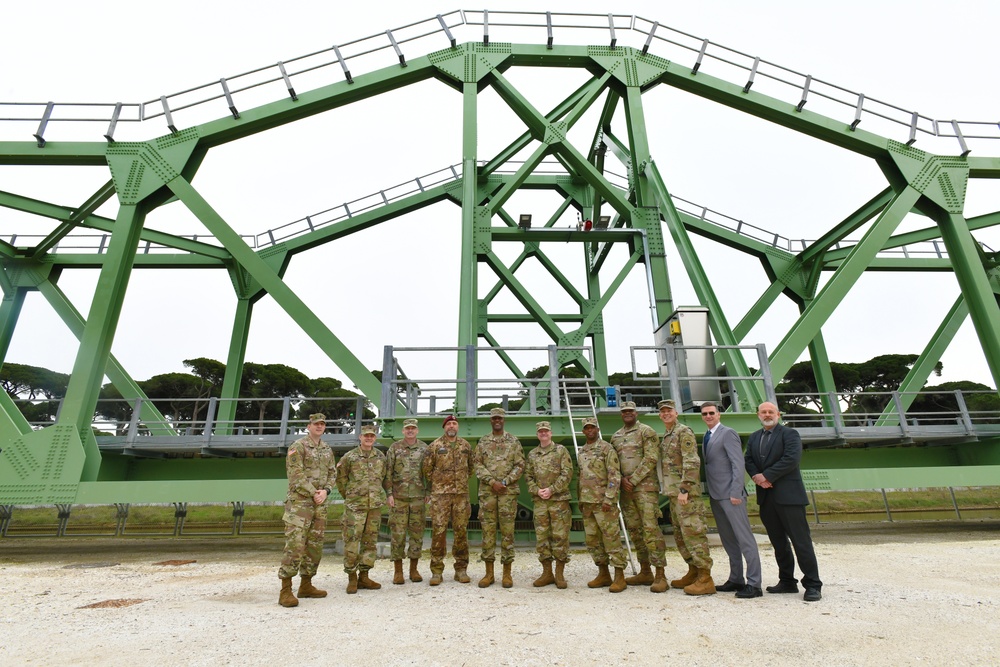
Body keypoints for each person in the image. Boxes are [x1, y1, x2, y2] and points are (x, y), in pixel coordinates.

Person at [746, 401, 823, 602]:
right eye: (763, 412)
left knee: (801, 541)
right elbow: (748, 460)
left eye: (771, 411)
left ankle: (813, 584)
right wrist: (756, 476)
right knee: (779, 543)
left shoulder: (790, 434)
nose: (767, 414)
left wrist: (767, 477)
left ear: (778, 415)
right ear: (758, 415)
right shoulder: (755, 437)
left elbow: (791, 458)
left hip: (789, 497)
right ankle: (787, 581)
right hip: (767, 497)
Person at [277, 412, 337, 608]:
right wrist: (314, 493)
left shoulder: (327, 449)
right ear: (308, 426)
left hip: (319, 503)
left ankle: (306, 585)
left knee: (314, 546)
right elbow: (296, 475)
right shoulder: (298, 447)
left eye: (322, 424)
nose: (319, 426)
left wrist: (326, 491)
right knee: (295, 545)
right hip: (300, 504)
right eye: (316, 424)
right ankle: (285, 590)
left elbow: (332, 472)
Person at [700, 401, 760, 597]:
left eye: (711, 413)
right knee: (728, 540)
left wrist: (736, 492)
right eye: (704, 414)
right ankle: (736, 579)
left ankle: (754, 583)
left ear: (719, 414)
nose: (708, 416)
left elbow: (737, 463)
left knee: (745, 539)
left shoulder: (728, 433)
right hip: (716, 496)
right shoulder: (707, 436)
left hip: (731, 495)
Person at [656, 399, 715, 596]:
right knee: (681, 535)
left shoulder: (683, 432)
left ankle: (705, 578)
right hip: (674, 495)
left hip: (685, 495)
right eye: (662, 412)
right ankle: (693, 571)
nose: (666, 414)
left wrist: (685, 488)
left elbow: (691, 460)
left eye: (669, 411)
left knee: (694, 533)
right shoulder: (666, 436)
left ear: (676, 413)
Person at [610, 400, 668, 592]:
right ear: (621, 414)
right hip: (626, 492)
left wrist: (633, 480)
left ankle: (660, 574)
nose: (627, 414)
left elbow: (651, 457)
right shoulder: (616, 437)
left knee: (651, 529)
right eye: (624, 411)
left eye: (631, 411)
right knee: (635, 531)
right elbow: (612, 464)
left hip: (645, 489)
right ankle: (645, 571)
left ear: (636, 413)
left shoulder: (646, 431)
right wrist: (620, 479)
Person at [473, 407, 526, 588]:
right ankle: (489, 574)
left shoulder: (513, 441)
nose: (497, 420)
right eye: (494, 418)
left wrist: (505, 482)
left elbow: (520, 465)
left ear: (504, 420)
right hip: (488, 494)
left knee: (507, 533)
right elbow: (477, 465)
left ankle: (507, 574)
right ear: (491, 420)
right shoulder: (483, 442)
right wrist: (491, 482)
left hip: (507, 494)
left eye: (500, 418)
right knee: (487, 532)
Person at [422, 414, 475, 586]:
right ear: (444, 427)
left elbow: (471, 468)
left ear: (457, 427)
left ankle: (461, 569)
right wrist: (441, 483)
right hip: (440, 496)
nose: (452, 426)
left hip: (461, 496)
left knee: (461, 531)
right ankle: (436, 571)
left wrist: (458, 483)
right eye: (449, 424)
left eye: (454, 424)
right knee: (439, 532)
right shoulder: (435, 446)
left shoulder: (465, 446)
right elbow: (427, 470)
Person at [336, 423, 389, 594]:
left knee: (370, 542)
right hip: (355, 506)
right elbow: (341, 479)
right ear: (360, 437)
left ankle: (364, 576)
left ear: (375, 438)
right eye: (366, 435)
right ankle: (352, 577)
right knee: (352, 541)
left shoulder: (381, 457)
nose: (369, 438)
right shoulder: (349, 457)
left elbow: (384, 478)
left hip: (374, 506)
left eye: (372, 436)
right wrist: (351, 496)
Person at [577, 417, 627, 593]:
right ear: (583, 431)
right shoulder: (582, 451)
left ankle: (619, 576)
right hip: (588, 504)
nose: (589, 430)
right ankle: (603, 573)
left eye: (592, 427)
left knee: (611, 539)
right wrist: (581, 500)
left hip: (603, 503)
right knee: (593, 541)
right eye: (586, 428)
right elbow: (581, 476)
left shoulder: (606, 449)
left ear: (597, 429)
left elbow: (614, 475)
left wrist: (609, 498)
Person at [524, 421, 573, 588]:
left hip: (558, 501)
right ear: (537, 434)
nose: (543, 434)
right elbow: (528, 476)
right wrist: (536, 490)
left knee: (560, 536)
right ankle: (547, 573)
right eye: (540, 432)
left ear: (551, 433)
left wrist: (552, 490)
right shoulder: (532, 454)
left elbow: (567, 473)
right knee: (542, 537)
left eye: (546, 431)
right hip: (540, 502)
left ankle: (559, 574)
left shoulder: (560, 451)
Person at [386, 418, 429, 585]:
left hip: (418, 497)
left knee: (416, 534)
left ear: (417, 431)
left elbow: (429, 472)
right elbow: (388, 472)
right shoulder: (394, 448)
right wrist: (389, 494)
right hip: (399, 498)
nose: (410, 431)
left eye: (413, 428)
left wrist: (429, 491)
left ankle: (414, 569)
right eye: (407, 428)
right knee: (398, 534)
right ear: (403, 431)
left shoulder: (424, 448)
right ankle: (398, 571)